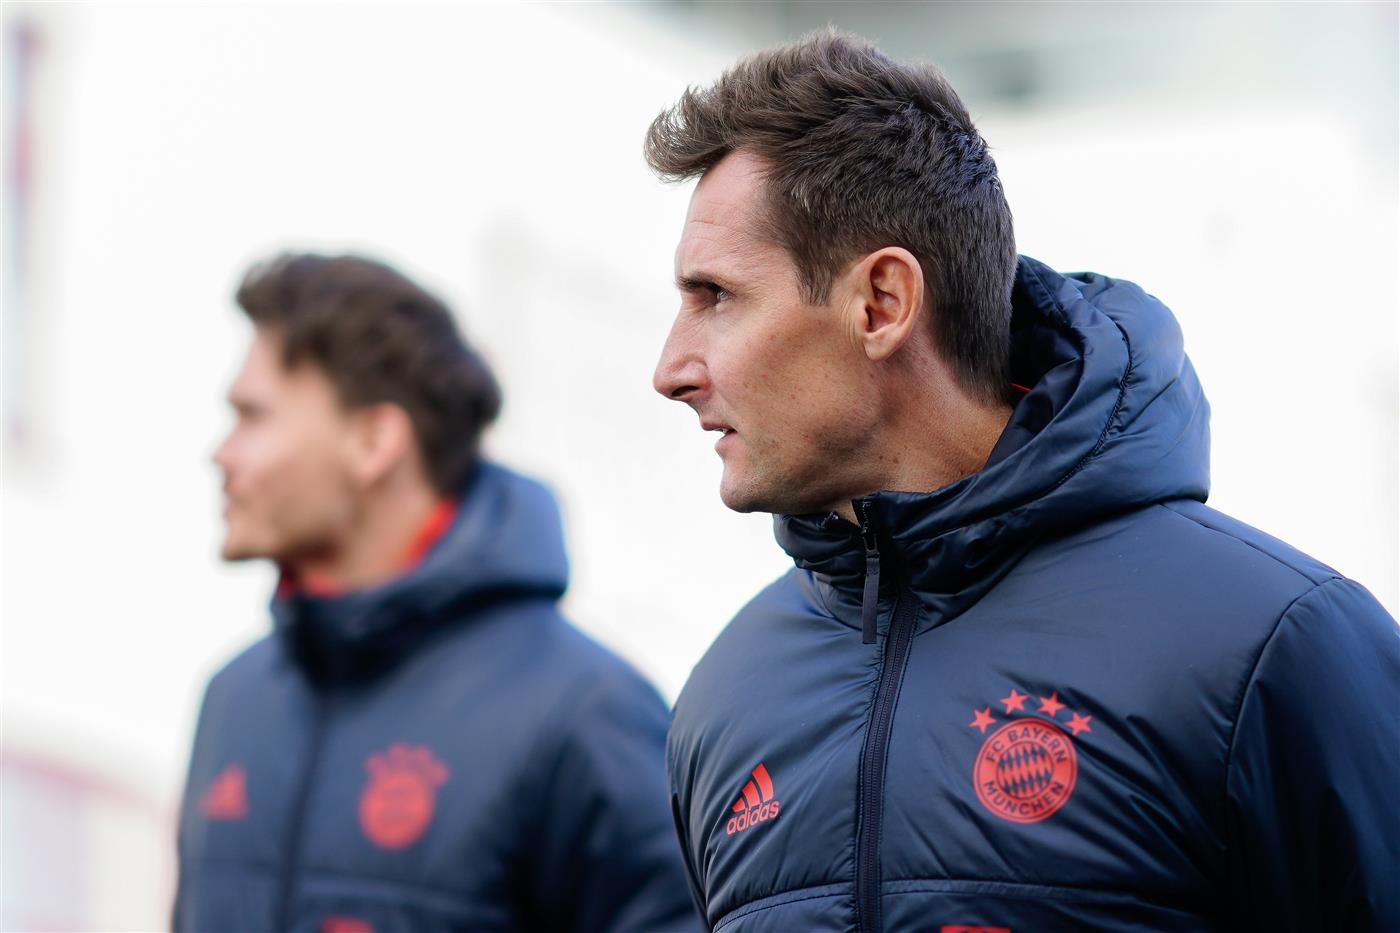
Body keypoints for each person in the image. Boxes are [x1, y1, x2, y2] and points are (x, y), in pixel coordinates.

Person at [646, 30, 1399, 933]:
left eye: (716, 296)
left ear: (881, 302)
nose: (672, 367)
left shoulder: (1276, 646)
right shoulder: (725, 696)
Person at [175, 253, 699, 933]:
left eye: (253, 415)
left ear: (374, 442)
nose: (223, 453)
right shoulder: (234, 698)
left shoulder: (586, 710)